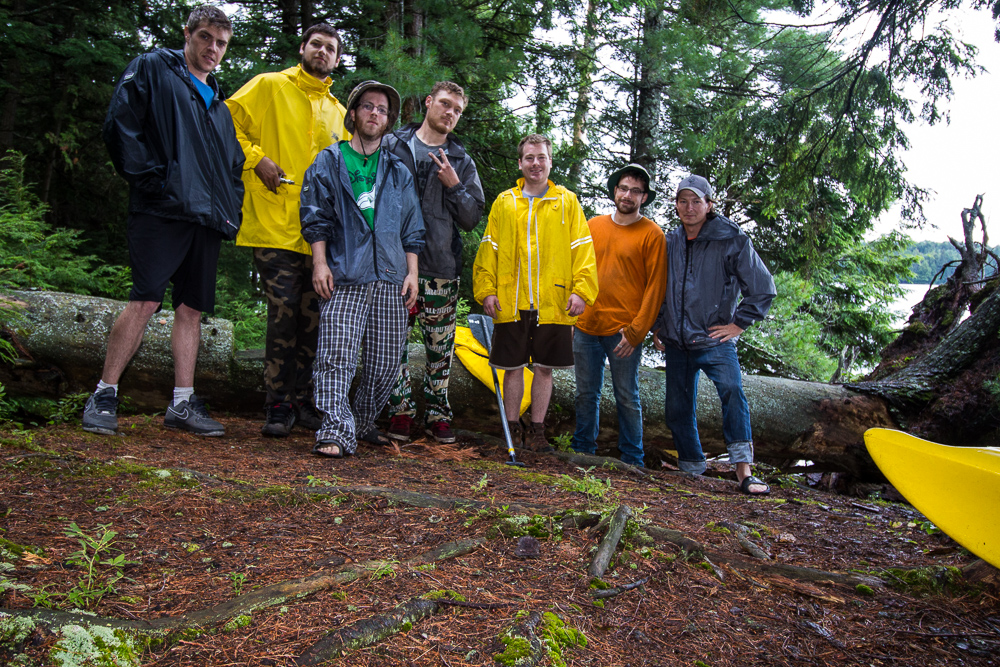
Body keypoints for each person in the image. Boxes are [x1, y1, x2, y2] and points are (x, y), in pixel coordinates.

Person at [83, 5, 244, 437]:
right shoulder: (155, 69)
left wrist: (231, 210)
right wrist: (153, 182)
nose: (213, 49)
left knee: (190, 310)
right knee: (145, 299)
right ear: (188, 34)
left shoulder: (219, 107)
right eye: (206, 38)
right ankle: (104, 394)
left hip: (207, 220)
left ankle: (182, 404)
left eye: (221, 43)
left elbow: (233, 165)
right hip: (161, 209)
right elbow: (121, 124)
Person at [226, 23, 350, 437]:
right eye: (316, 44)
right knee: (283, 313)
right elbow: (225, 121)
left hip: (320, 240)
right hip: (274, 226)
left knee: (314, 320)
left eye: (330, 48)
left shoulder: (339, 113)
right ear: (303, 48)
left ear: (337, 59)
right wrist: (256, 158)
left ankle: (304, 402)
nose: (322, 51)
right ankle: (277, 405)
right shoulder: (269, 86)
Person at [300, 81, 425, 458]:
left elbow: (412, 227)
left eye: (382, 110)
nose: (374, 114)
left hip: (390, 278)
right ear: (353, 113)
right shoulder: (329, 161)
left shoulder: (398, 170)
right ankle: (336, 429)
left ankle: (361, 420)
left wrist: (412, 274)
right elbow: (315, 217)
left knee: (385, 362)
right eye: (368, 107)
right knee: (335, 354)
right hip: (344, 274)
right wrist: (319, 263)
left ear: (388, 121)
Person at [472, 133, 598, 452]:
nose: (535, 163)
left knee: (544, 368)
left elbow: (583, 250)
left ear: (550, 162)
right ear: (520, 163)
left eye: (541, 157)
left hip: (553, 303)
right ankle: (512, 429)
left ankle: (538, 432)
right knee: (512, 369)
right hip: (511, 302)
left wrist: (581, 291)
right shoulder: (505, 202)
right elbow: (489, 249)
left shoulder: (566, 202)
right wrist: (486, 290)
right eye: (529, 157)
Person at [652, 175, 776, 494]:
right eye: (683, 201)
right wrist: (659, 327)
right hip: (678, 343)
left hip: (714, 341)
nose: (689, 207)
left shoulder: (731, 239)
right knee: (676, 408)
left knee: (733, 392)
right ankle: (692, 468)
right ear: (676, 205)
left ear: (709, 205)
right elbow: (661, 290)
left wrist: (738, 324)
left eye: (697, 201)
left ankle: (744, 472)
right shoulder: (671, 241)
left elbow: (762, 288)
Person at [383, 81, 485, 445]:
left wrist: (455, 185)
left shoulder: (461, 160)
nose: (451, 113)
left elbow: (472, 218)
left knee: (439, 351)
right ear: (428, 102)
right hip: (393, 267)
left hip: (441, 269)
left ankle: (438, 416)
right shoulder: (394, 145)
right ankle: (400, 412)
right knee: (391, 344)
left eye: (458, 110)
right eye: (445, 104)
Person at [572, 164, 667, 467]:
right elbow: (576, 272)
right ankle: (583, 450)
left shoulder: (652, 235)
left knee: (627, 396)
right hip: (586, 326)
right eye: (623, 188)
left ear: (644, 197)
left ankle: (632, 459)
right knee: (586, 393)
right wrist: (572, 318)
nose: (628, 195)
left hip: (623, 332)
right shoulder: (593, 226)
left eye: (635, 191)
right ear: (615, 191)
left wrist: (637, 331)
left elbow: (656, 287)